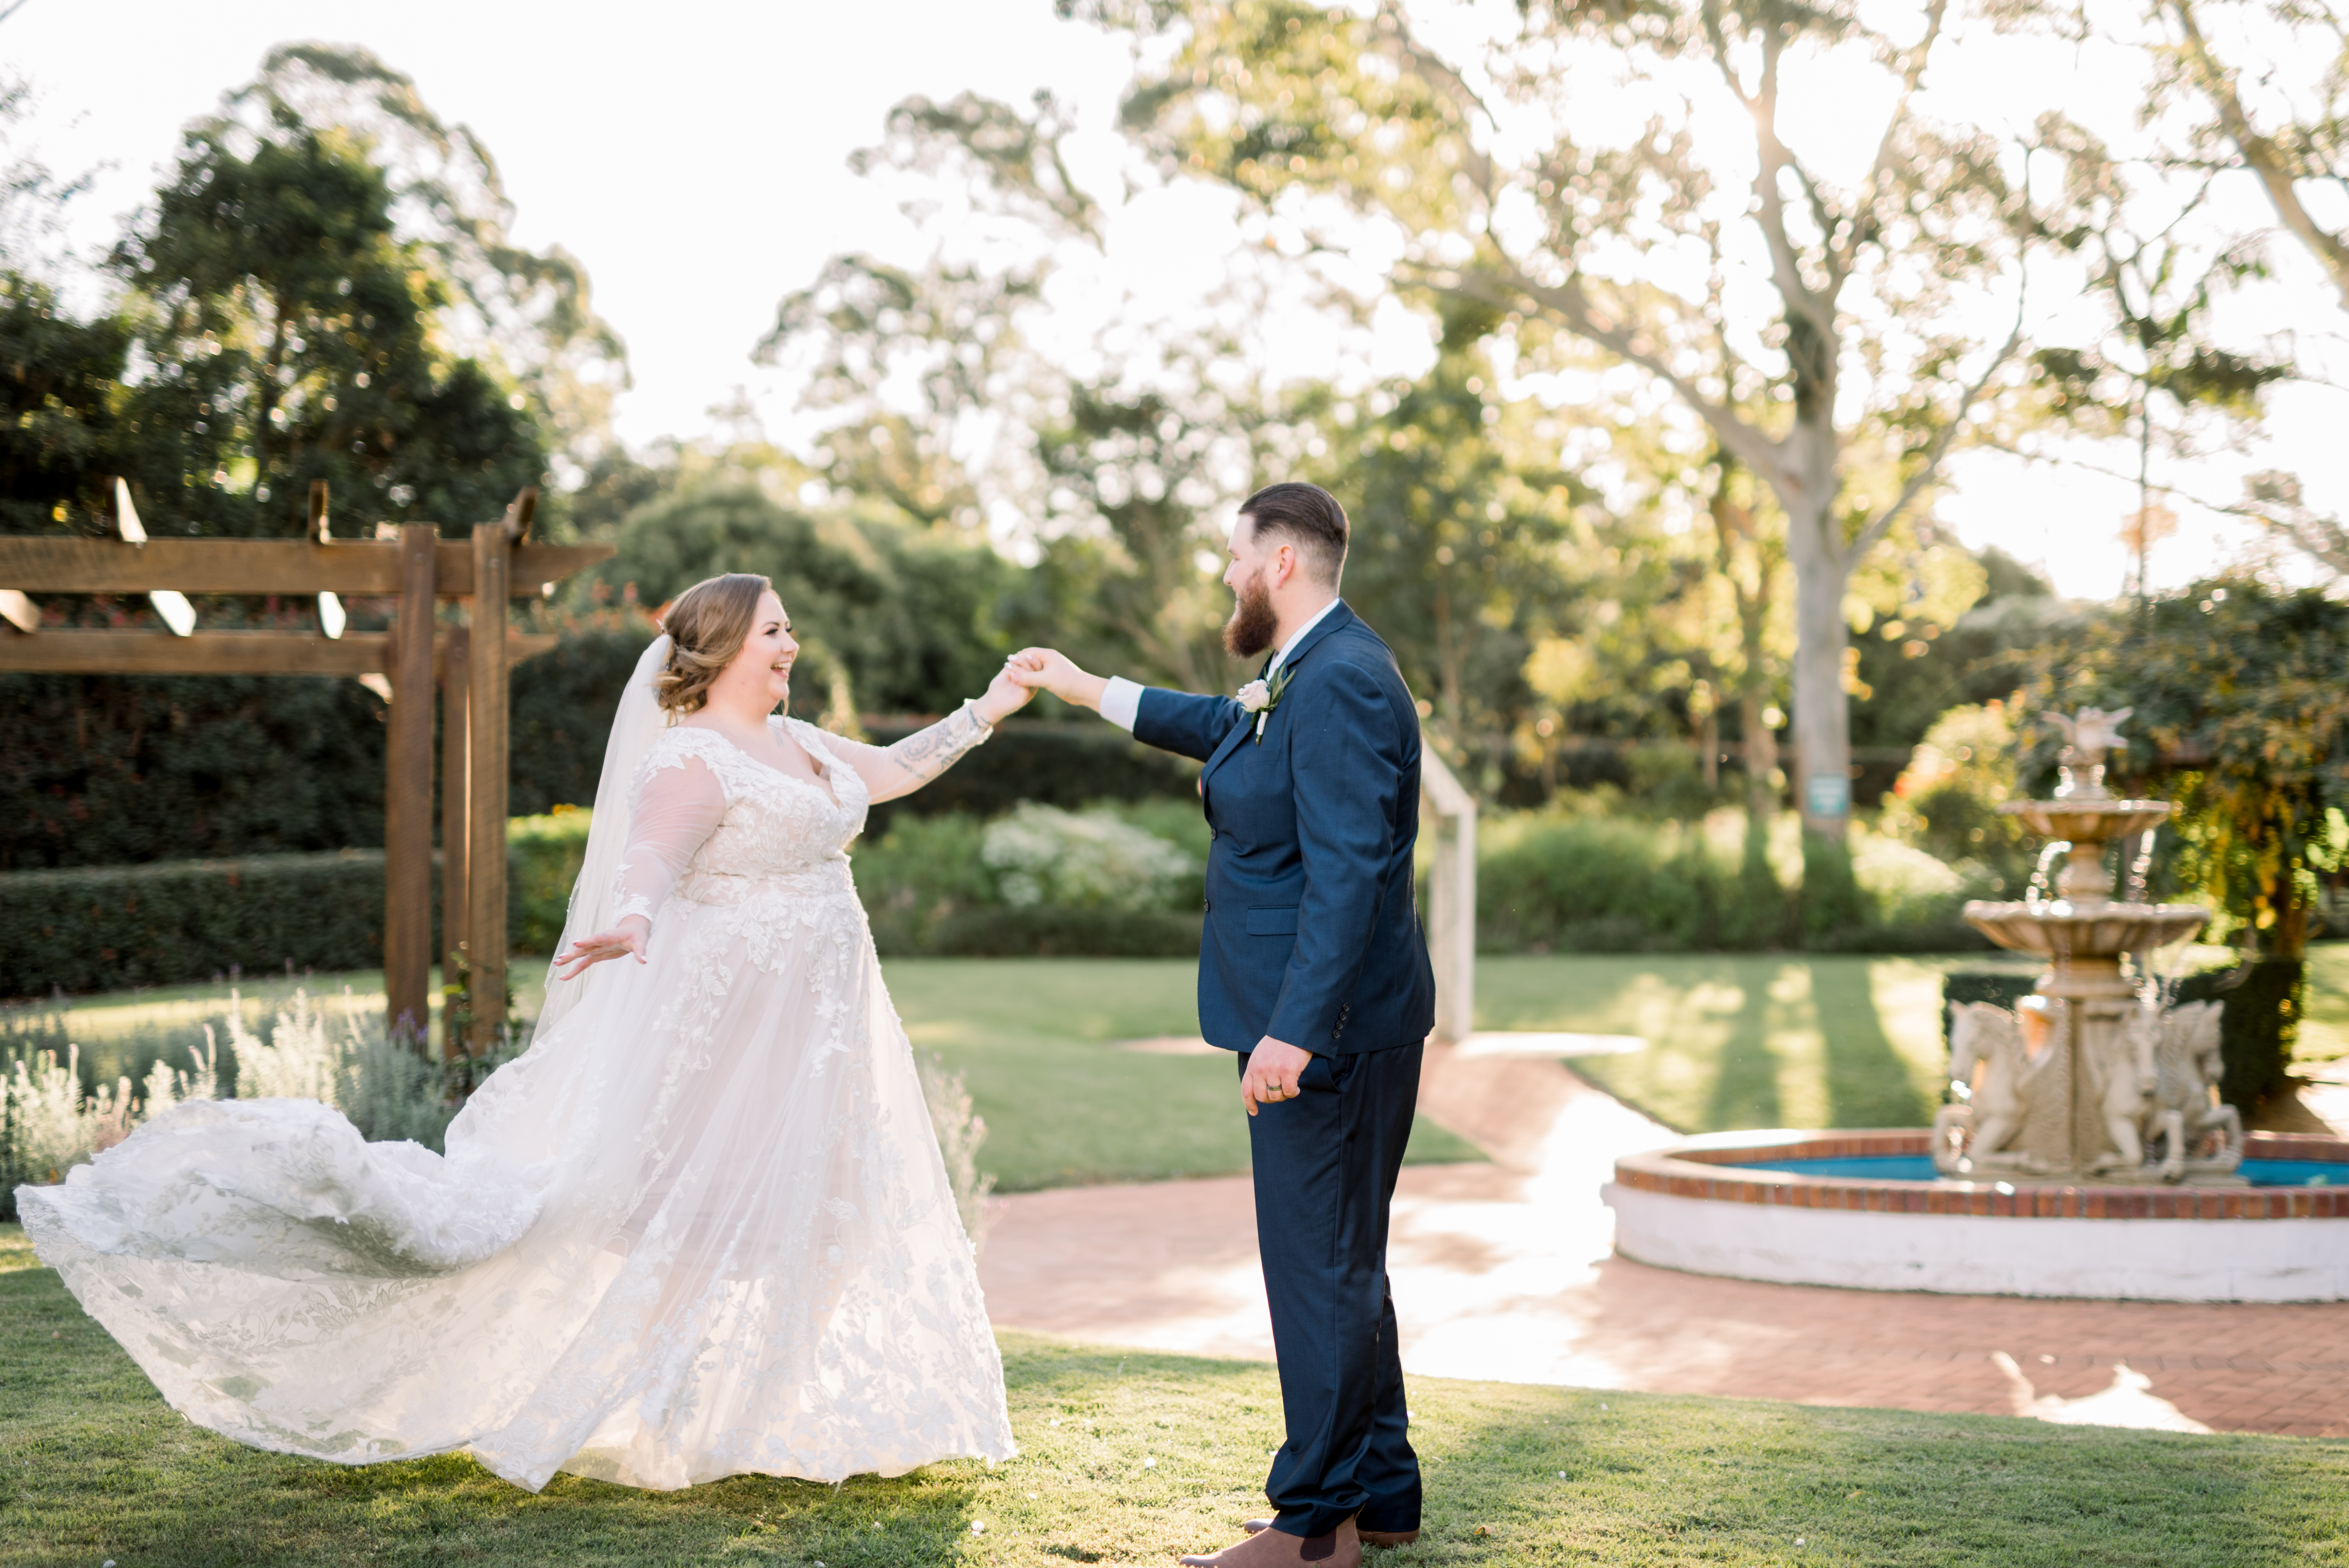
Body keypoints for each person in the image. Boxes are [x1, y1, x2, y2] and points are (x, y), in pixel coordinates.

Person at [16, 572, 1035, 1493]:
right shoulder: (690, 758)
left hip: (825, 1021)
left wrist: (986, 710)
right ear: (722, 647)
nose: (791, 643)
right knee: (688, 1199)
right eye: (775, 628)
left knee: (826, 1195)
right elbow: (647, 860)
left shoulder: (804, 742)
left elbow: (895, 768)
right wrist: (631, 918)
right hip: (734, 1023)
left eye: (788, 628)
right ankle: (684, 1410)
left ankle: (775, 1402)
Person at [1008, 481, 1435, 1568]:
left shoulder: (1337, 681)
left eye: (1233, 555)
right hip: (1333, 1019)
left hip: (1323, 1032)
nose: (1225, 574)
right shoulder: (1312, 666)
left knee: (1317, 1265)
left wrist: (1295, 1031)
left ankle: (1312, 1527)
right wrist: (1078, 684)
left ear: (1280, 561)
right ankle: (1382, 1492)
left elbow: (1348, 873)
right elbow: (1223, 727)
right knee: (1345, 1258)